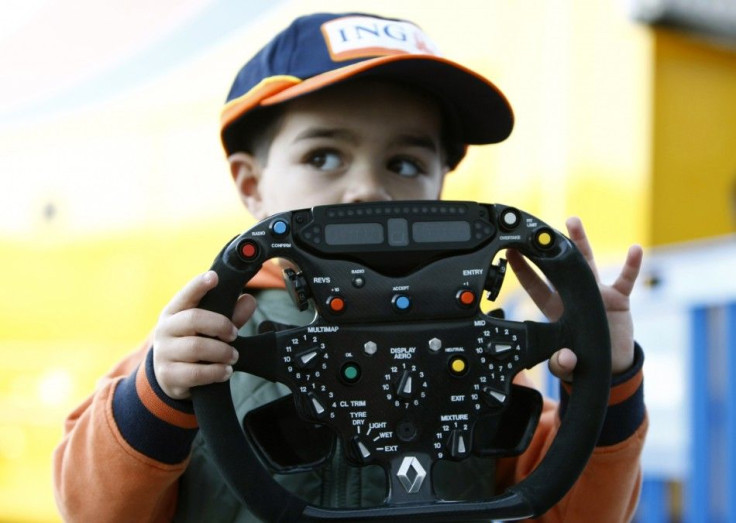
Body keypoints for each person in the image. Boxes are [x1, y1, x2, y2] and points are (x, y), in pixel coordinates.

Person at [53, 12, 647, 522]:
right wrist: (156, 394)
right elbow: (90, 508)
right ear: (252, 184)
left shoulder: (485, 352)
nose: (368, 190)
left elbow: (576, 510)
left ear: (443, 185)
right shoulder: (198, 349)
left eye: (406, 163)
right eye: (325, 155)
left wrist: (607, 375)